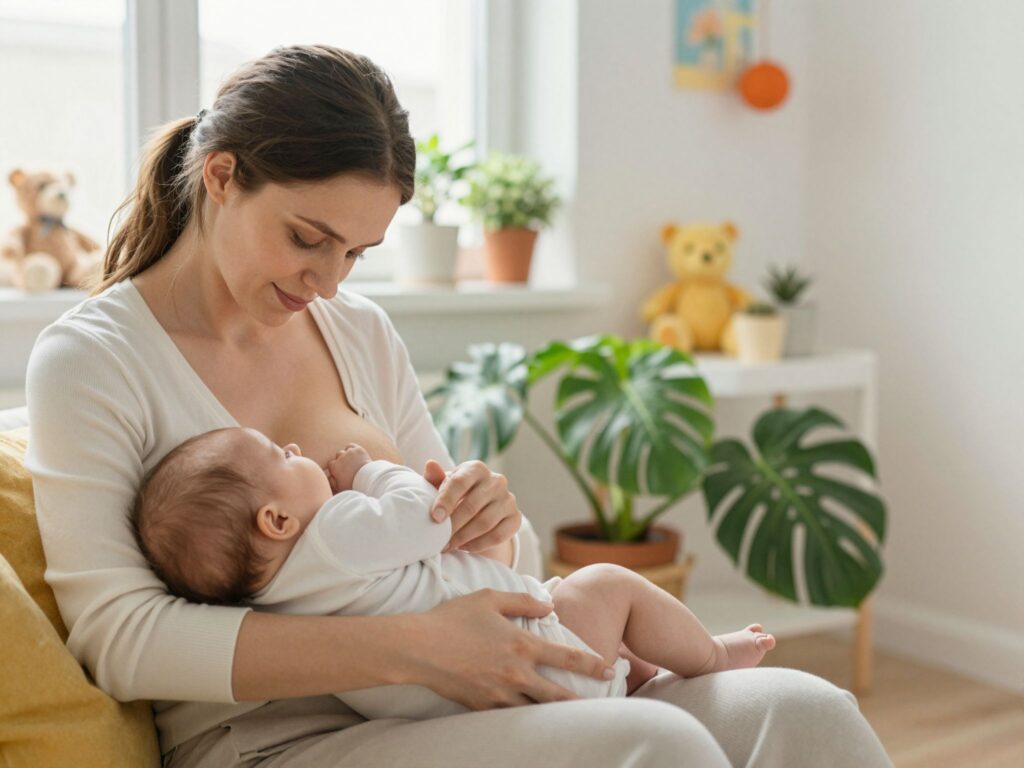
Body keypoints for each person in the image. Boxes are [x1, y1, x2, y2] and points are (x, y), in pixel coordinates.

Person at [25, 44, 892, 766]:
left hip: (459, 690)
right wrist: (414, 648)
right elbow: (122, 639)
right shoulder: (94, 359)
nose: (325, 280)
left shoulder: (357, 331)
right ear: (220, 178)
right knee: (649, 745)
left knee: (802, 709)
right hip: (276, 738)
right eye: (306, 238)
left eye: (357, 253)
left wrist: (492, 519)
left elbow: (485, 555)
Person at [130, 428, 778, 720]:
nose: (297, 448)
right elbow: (427, 516)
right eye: (280, 454)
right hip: (535, 658)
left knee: (570, 605)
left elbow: (464, 556)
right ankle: (709, 656)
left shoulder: (278, 598)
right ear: (275, 520)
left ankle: (634, 674)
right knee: (606, 585)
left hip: (475, 700)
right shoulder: (331, 533)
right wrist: (365, 472)